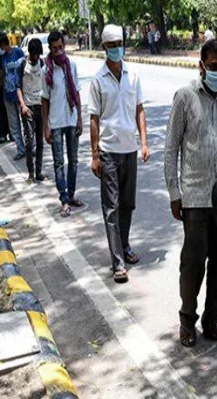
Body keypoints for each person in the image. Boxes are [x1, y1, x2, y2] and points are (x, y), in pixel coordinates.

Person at [164, 38, 217, 348]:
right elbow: (171, 146)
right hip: (195, 196)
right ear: (201, 66)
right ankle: (188, 318)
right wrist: (174, 191)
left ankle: (212, 320)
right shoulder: (185, 97)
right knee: (194, 261)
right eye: (213, 67)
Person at [89, 24, 150, 283]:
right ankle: (117, 262)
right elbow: (93, 118)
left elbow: (139, 110)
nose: (116, 49)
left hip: (130, 149)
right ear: (104, 47)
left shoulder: (133, 75)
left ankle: (123, 245)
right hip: (108, 151)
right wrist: (94, 155)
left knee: (127, 205)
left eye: (119, 44)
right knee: (111, 208)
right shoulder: (97, 80)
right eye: (111, 45)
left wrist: (144, 142)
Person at [41, 30, 83, 218]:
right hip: (56, 122)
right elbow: (44, 100)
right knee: (59, 163)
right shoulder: (46, 71)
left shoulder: (71, 65)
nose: (58, 51)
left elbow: (78, 93)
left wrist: (80, 118)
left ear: (64, 46)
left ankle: (72, 195)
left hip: (72, 119)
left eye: (60, 47)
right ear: (49, 49)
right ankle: (64, 198)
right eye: (54, 48)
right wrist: (46, 126)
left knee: (73, 161)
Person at [16, 38, 47, 183]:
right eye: (34, 55)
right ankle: (31, 173)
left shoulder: (43, 64)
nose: (36, 58)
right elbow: (17, 87)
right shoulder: (21, 65)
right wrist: (23, 105)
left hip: (40, 107)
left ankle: (39, 171)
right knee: (29, 142)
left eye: (38, 55)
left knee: (40, 142)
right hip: (28, 108)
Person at [0, 32, 26, 160]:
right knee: (14, 125)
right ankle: (20, 149)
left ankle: (31, 147)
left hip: (20, 94)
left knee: (26, 122)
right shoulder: (2, 58)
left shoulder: (18, 52)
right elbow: (3, 73)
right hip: (8, 94)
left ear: (3, 44)